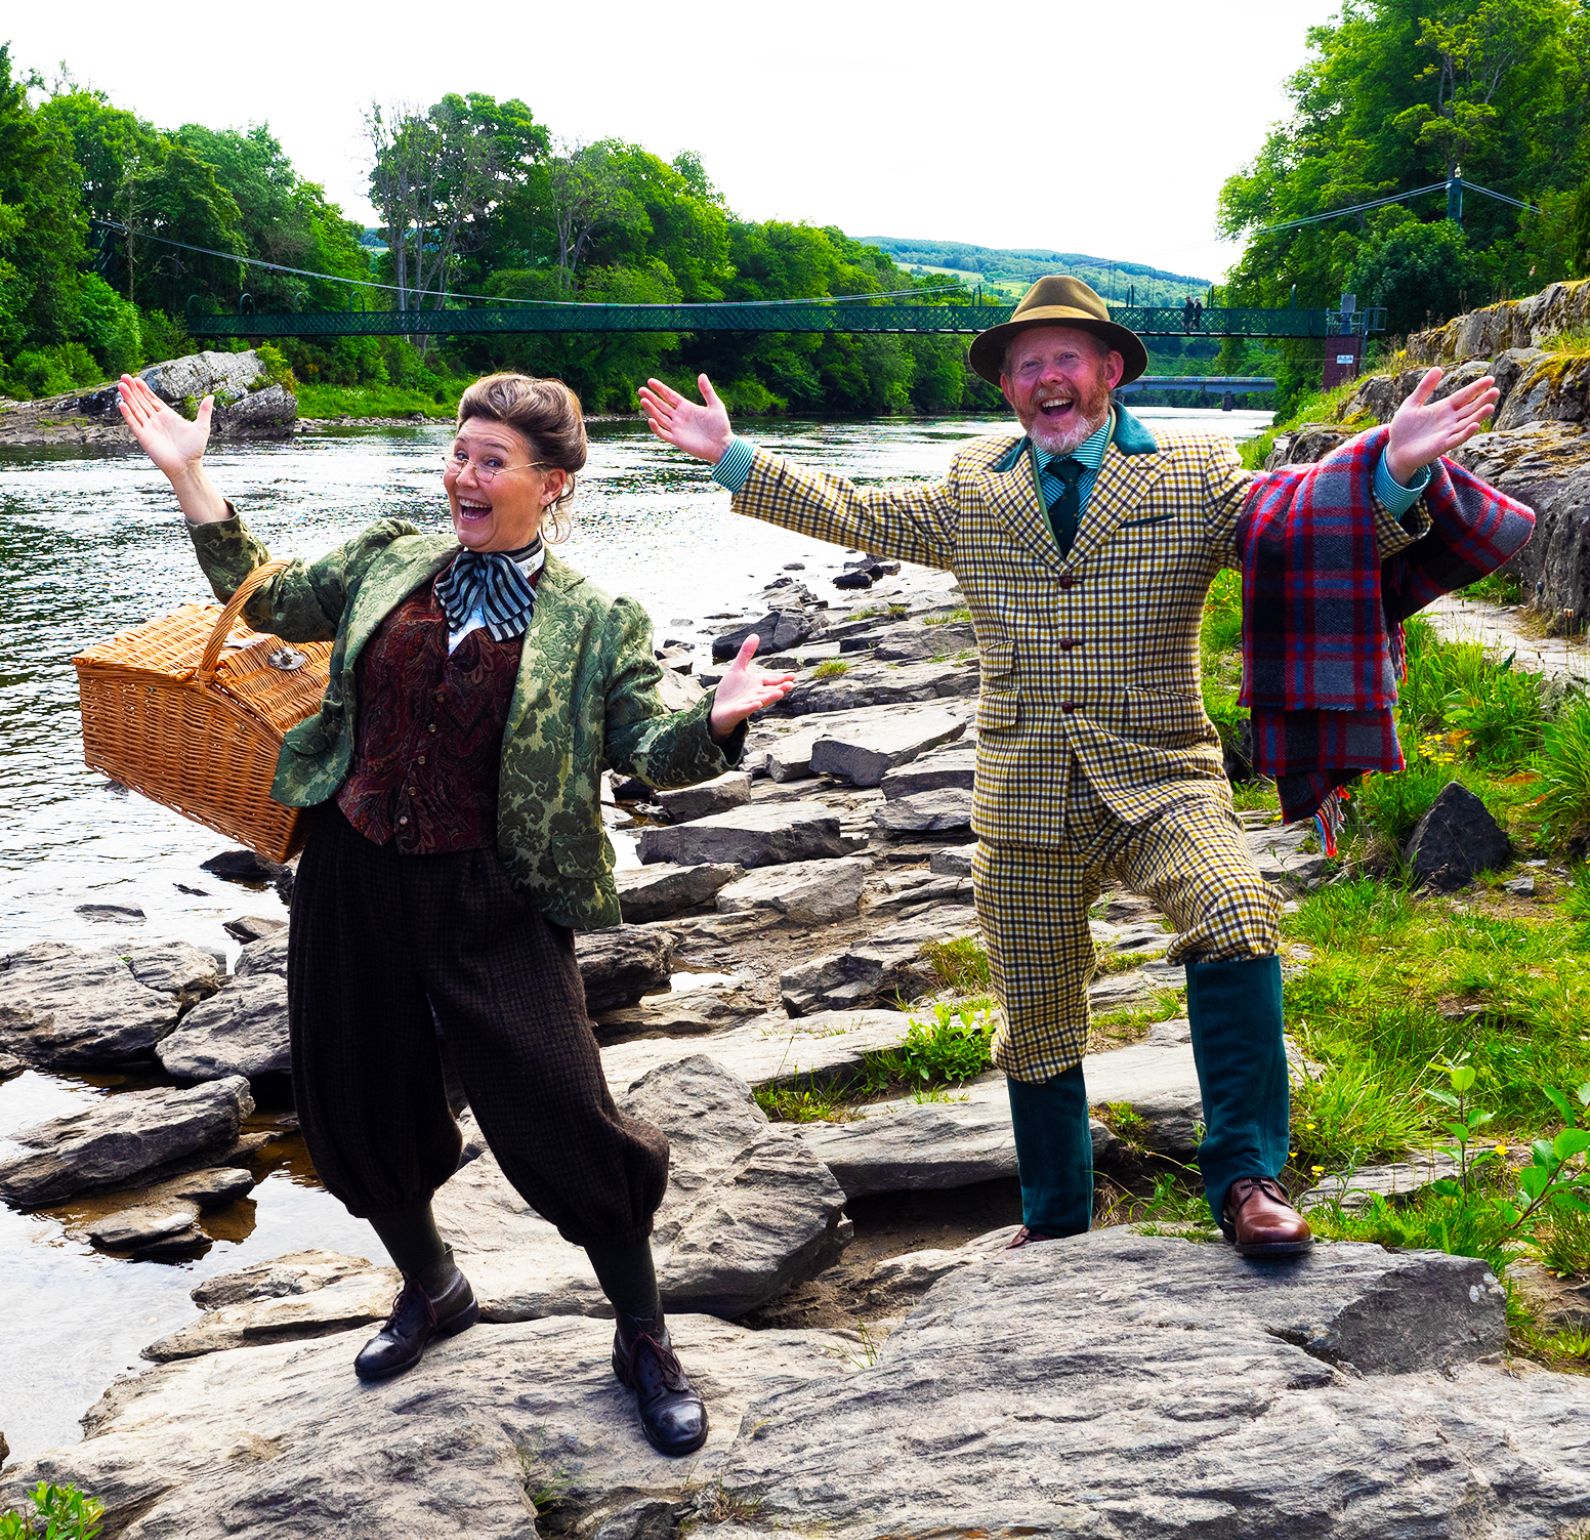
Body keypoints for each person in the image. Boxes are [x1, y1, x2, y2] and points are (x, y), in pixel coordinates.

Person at [638, 275, 1502, 1260]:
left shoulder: (1194, 473)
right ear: (1008, 385)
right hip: (1024, 792)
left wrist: (1388, 471)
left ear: (1110, 369)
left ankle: (1247, 1177)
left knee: (1238, 913)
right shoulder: (974, 486)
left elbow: (1299, 527)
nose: (1046, 379)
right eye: (1025, 365)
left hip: (1163, 776)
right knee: (1037, 1012)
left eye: (1064, 359)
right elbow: (859, 510)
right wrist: (733, 458)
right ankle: (1055, 1217)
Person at [116, 369, 794, 1456]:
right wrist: (191, 478)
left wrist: (713, 723)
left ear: (552, 486)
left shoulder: (595, 620)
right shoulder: (389, 556)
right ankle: (433, 1288)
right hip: (353, 864)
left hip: (495, 887)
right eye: (458, 453)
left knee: (563, 1107)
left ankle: (645, 1336)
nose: (462, 476)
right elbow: (266, 595)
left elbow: (649, 749)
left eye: (491, 462)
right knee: (354, 1093)